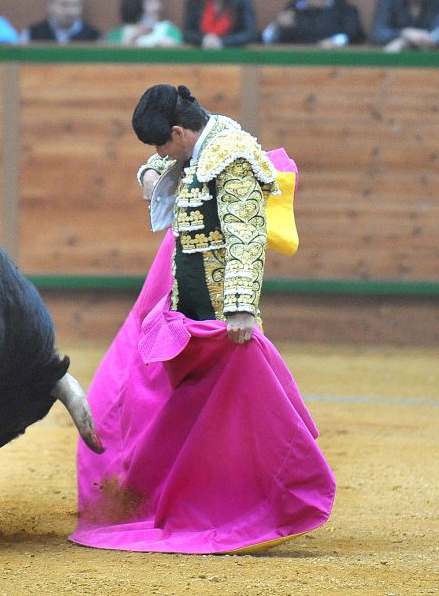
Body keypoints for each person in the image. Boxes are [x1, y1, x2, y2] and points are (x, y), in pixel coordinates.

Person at [71, 84, 335, 554]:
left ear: (178, 132)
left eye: (161, 145)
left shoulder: (232, 157)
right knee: (189, 413)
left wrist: (241, 307)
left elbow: (245, 236)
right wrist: (149, 171)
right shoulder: (200, 145)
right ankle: (192, 498)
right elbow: (166, 165)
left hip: (220, 316)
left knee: (228, 420)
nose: (160, 154)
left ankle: (249, 505)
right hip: (189, 313)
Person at [20, 0, 100, 43]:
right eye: (64, 4)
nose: (70, 11)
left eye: (74, 5)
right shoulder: (31, 35)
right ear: (50, 5)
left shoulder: (94, 38)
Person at [105, 0, 181, 47]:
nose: (157, 6)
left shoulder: (169, 30)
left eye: (156, 0)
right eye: (149, 1)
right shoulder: (117, 34)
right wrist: (130, 38)